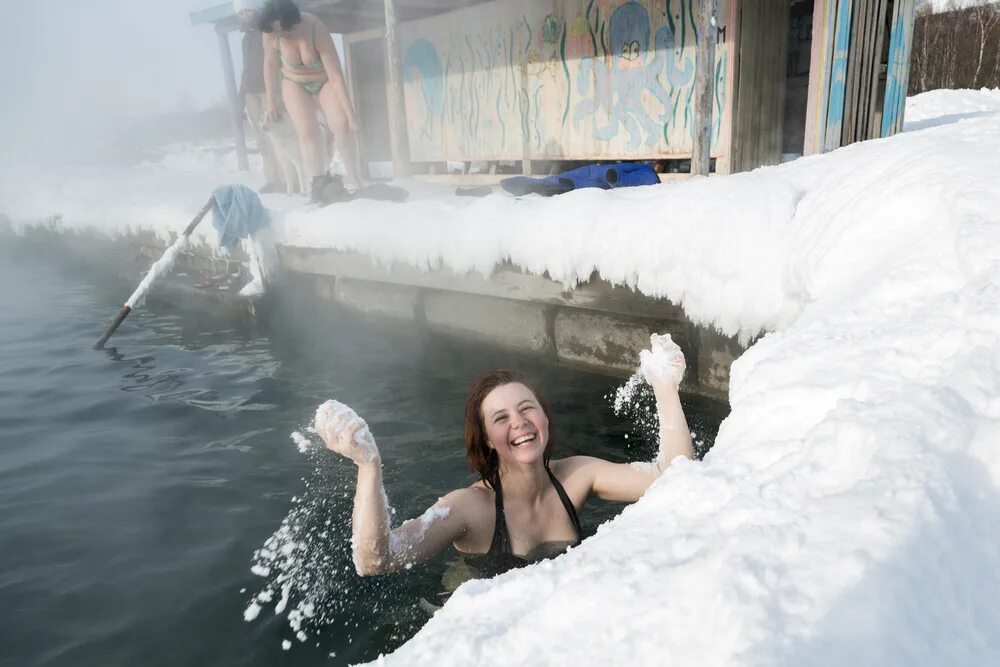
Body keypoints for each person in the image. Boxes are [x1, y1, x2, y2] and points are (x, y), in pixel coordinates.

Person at [315, 334, 693, 580]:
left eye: (527, 408)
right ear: (487, 441)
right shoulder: (469, 508)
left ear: (544, 418)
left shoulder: (577, 476)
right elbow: (376, 561)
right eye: (501, 418)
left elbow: (675, 476)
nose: (519, 423)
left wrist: (664, 385)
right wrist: (369, 465)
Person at [258, 0, 365, 200]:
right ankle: (318, 182)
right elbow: (270, 65)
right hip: (294, 82)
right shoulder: (270, 34)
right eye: (277, 32)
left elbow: (335, 74)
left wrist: (351, 115)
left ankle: (356, 178)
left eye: (286, 31)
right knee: (307, 132)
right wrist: (271, 101)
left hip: (324, 80)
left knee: (341, 125)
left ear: (295, 22)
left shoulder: (315, 27)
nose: (282, 36)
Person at [233, 0, 286, 193]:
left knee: (276, 135)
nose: (245, 16)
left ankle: (286, 178)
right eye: (241, 13)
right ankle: (273, 180)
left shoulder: (268, 32)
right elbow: (246, 70)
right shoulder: (246, 38)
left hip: (269, 89)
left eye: (248, 11)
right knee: (261, 138)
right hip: (251, 92)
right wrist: (240, 101)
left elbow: (276, 62)